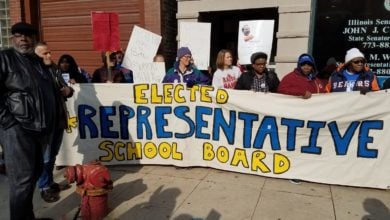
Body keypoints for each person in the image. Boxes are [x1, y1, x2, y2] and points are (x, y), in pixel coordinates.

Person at [0, 22, 59, 220]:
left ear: (33, 39)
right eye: (19, 35)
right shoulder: (5, 58)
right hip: (17, 129)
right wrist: (8, 121)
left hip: (39, 130)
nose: (23, 39)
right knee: (21, 182)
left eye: (27, 36)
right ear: (13, 38)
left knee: (33, 175)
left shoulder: (37, 61)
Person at [34, 42, 73, 203]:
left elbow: (66, 88)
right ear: (35, 57)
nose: (49, 56)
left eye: (49, 52)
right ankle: (44, 187)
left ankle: (50, 182)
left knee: (53, 155)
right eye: (45, 54)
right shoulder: (34, 72)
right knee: (45, 156)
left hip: (59, 119)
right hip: (44, 121)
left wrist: (68, 90)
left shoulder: (55, 69)